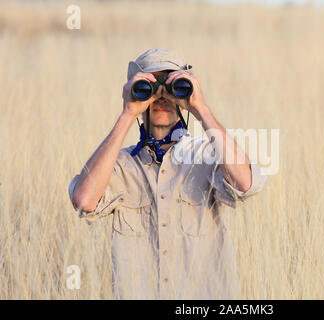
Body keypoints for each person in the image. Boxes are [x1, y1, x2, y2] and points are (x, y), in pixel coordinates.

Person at [68, 48, 266, 299]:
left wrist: (201, 109)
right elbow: (84, 201)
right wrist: (128, 113)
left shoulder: (206, 155)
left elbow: (245, 184)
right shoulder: (119, 165)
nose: (161, 97)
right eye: (150, 87)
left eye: (172, 86)